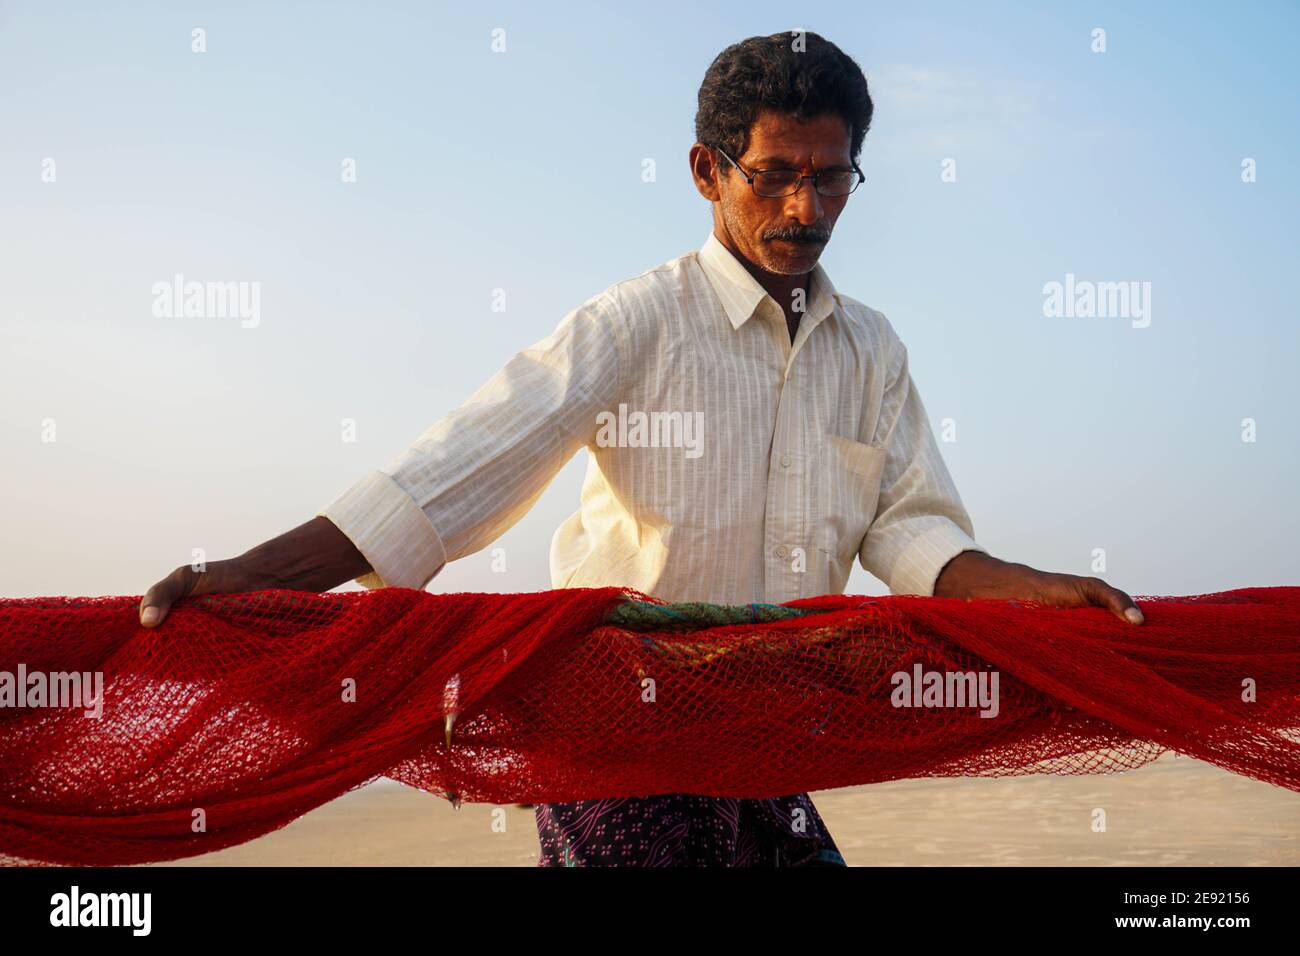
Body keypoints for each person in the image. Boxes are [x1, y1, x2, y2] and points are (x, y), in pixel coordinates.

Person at [139, 31, 1144, 867]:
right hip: (615, 716)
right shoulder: (636, 322)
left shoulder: (870, 347)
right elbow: (455, 474)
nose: (806, 209)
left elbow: (910, 529)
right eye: (777, 175)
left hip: (767, 726)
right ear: (710, 170)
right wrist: (256, 573)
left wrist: (1025, 588)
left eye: (831, 178)